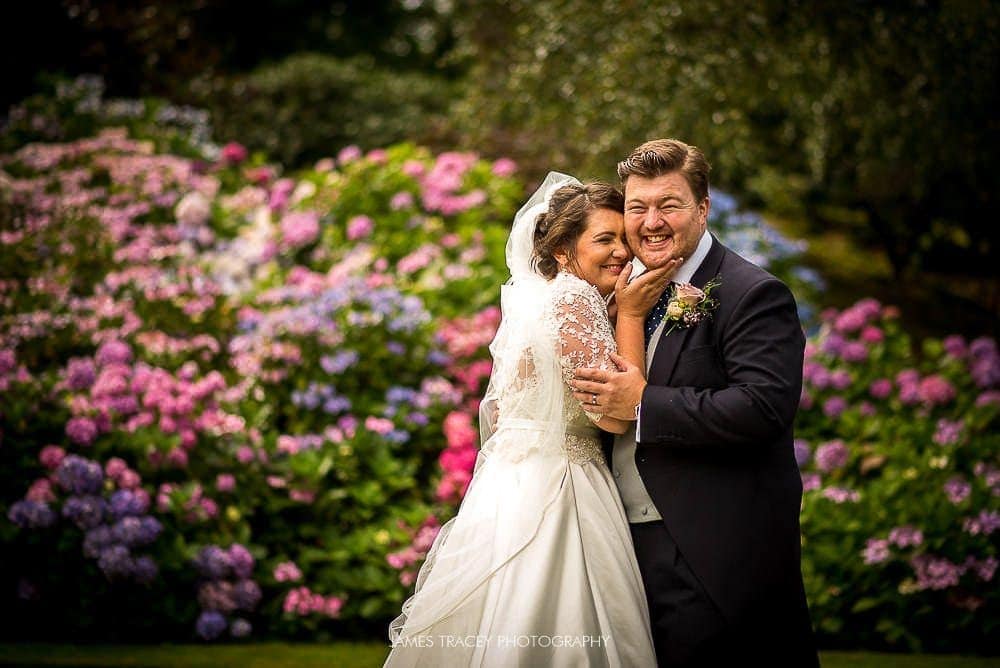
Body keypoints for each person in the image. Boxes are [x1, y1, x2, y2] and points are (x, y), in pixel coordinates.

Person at [384, 173, 675, 667]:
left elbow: (503, 409)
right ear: (563, 250)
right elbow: (613, 418)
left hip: (511, 486)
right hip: (564, 486)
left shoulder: (533, 298)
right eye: (604, 240)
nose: (622, 253)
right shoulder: (574, 300)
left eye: (623, 240)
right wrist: (628, 316)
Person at [572, 138, 820, 666]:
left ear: (703, 208)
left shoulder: (752, 293)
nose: (651, 222)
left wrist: (645, 403)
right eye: (637, 207)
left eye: (669, 205)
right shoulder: (621, 294)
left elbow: (762, 408)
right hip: (625, 543)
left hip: (712, 548)